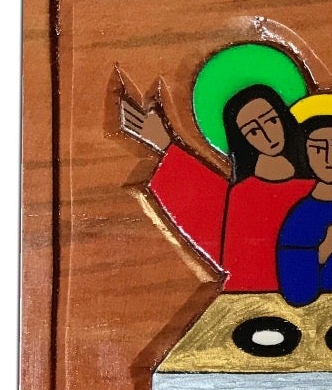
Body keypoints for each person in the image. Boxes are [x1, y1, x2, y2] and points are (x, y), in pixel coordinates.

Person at [118, 52, 311, 292]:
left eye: (271, 120)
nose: (266, 134)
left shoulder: (319, 185)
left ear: (283, 118)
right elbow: (210, 218)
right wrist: (165, 145)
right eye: (253, 131)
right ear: (242, 140)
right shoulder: (244, 194)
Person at [276, 115, 332, 305]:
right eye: (318, 149)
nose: (328, 158)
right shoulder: (299, 217)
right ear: (304, 153)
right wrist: (324, 250)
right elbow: (294, 292)